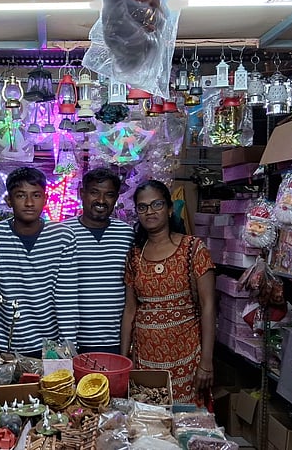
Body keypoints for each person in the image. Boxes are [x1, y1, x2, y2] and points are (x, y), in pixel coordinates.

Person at [120, 179, 216, 405]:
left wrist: (207, 362)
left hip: (187, 355)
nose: (149, 212)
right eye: (142, 207)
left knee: (187, 425)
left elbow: (209, 306)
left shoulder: (193, 249)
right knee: (149, 426)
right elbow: (130, 311)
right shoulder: (135, 256)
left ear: (170, 208)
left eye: (157, 205)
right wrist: (124, 359)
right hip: (145, 359)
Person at [0, 167, 78, 357]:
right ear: (8, 200)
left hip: (51, 347)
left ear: (45, 199)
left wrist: (68, 349)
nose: (29, 203)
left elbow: (66, 298)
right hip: (9, 346)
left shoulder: (63, 237)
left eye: (36, 195)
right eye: (21, 196)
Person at [65, 167, 134, 354]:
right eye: (94, 193)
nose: (101, 201)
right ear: (82, 194)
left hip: (115, 340)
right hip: (72, 340)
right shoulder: (61, 233)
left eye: (109, 195)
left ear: (116, 198)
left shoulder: (127, 235)